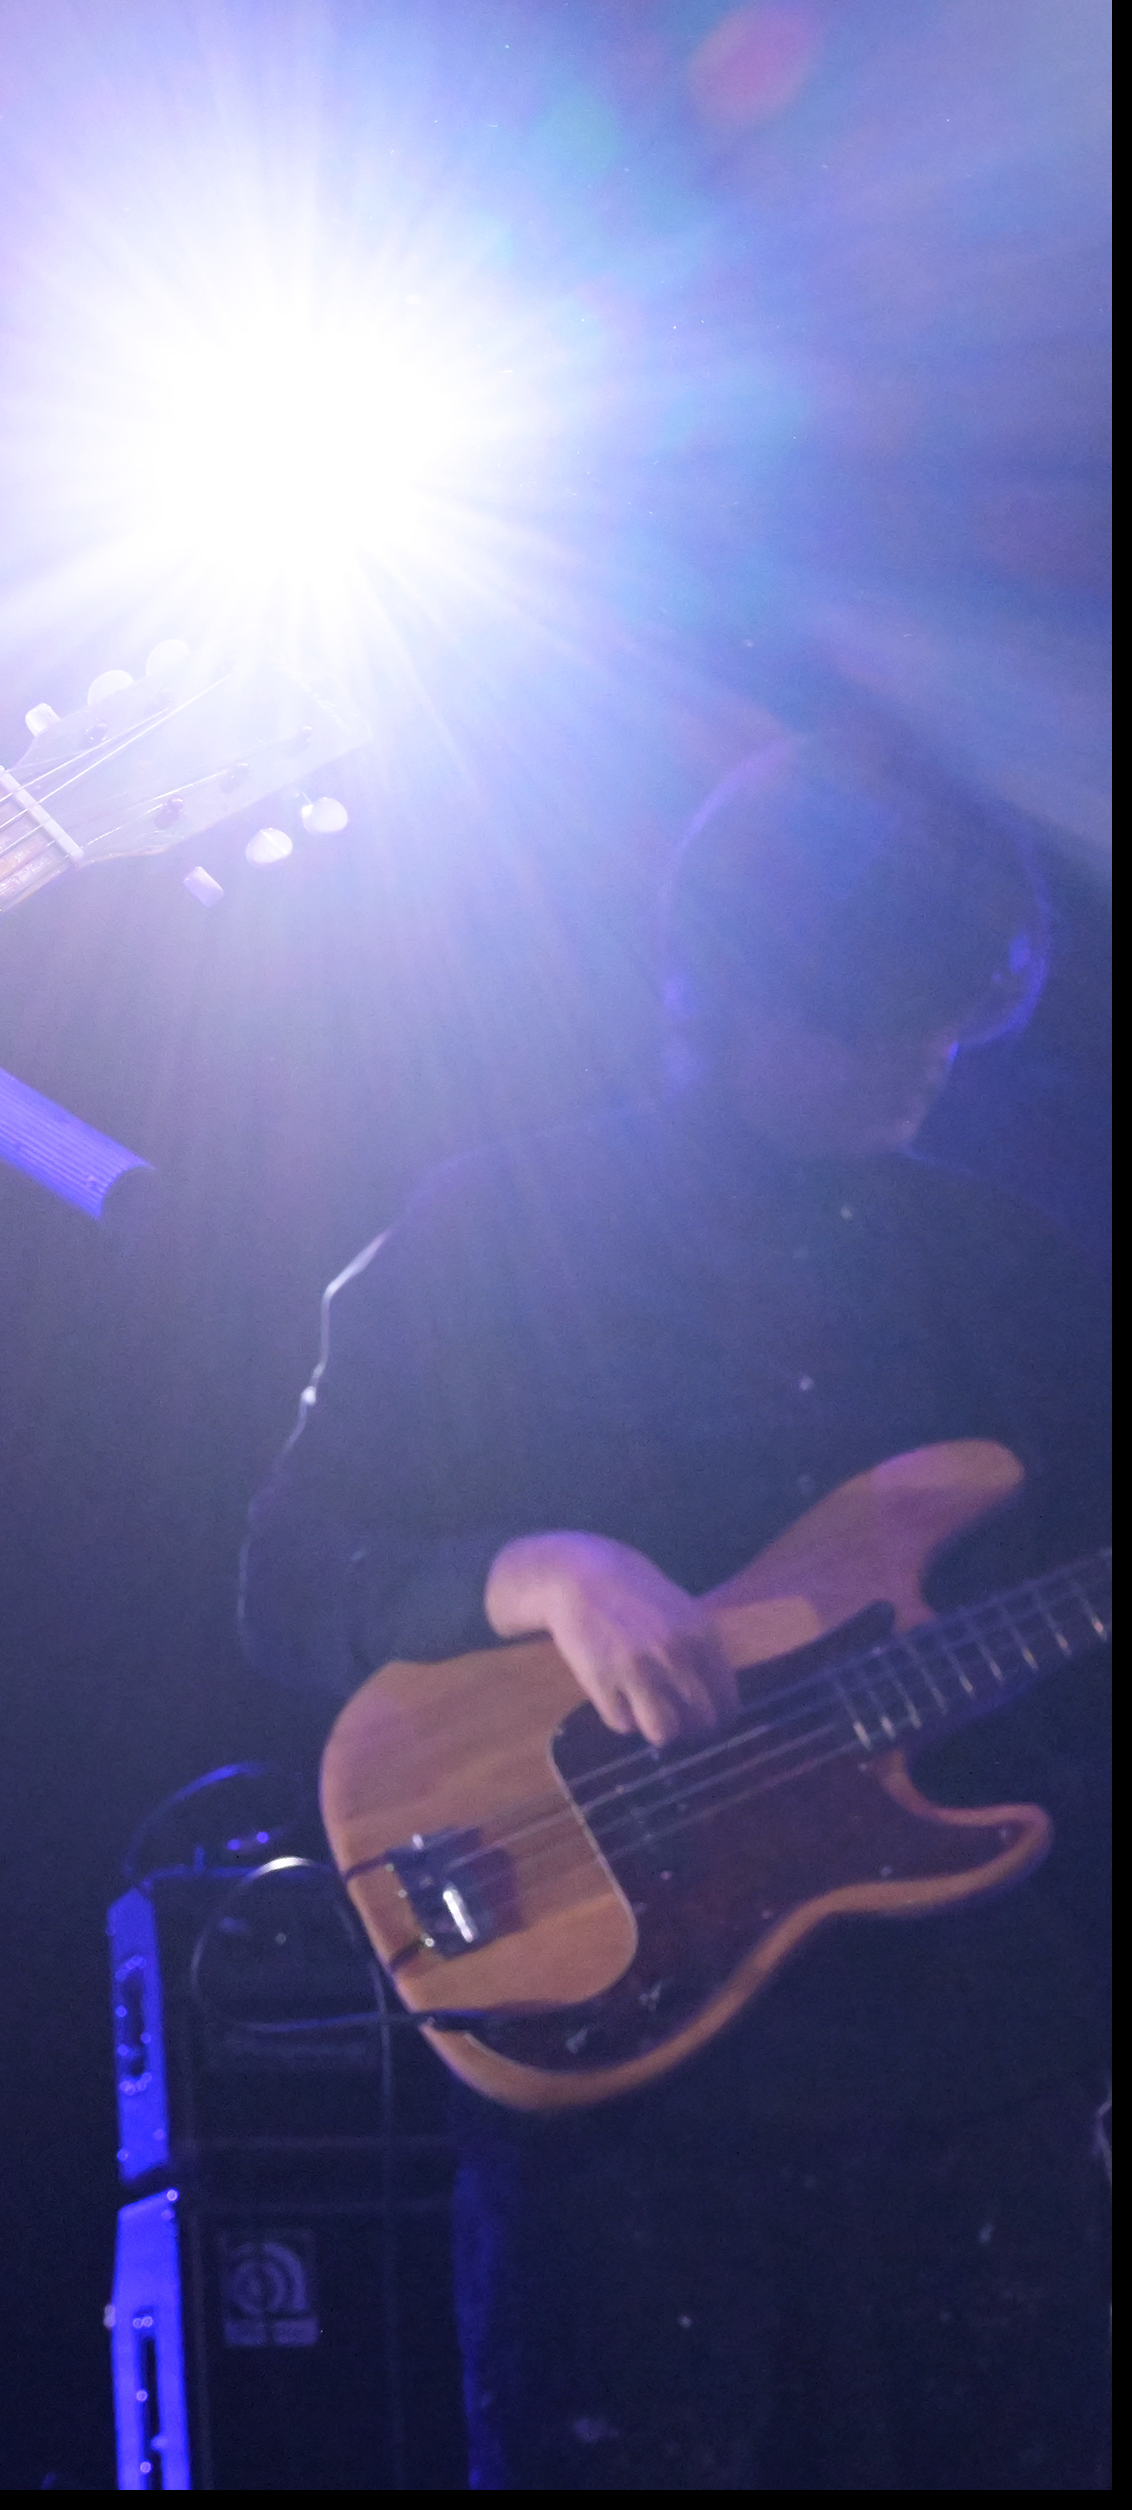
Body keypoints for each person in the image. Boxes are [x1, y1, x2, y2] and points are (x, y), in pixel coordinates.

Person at [243, 737, 1111, 2488]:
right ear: (722, 986)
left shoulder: (1011, 1269)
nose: (925, 1064)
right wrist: (541, 1568)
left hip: (980, 2084)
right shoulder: (501, 1225)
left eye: (945, 1022)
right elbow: (289, 1578)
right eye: (875, 1025)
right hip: (628, 2109)